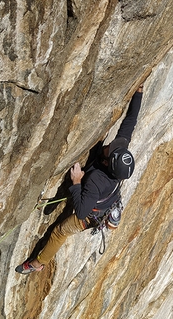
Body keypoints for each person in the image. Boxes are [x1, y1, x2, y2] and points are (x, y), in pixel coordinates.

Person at [15, 85, 143, 274]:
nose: (111, 145)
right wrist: (138, 93)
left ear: (107, 163)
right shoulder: (120, 151)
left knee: (60, 232)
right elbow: (130, 121)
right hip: (107, 199)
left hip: (90, 215)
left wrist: (76, 182)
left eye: (110, 149)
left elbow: (82, 212)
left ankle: (39, 263)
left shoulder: (96, 181)